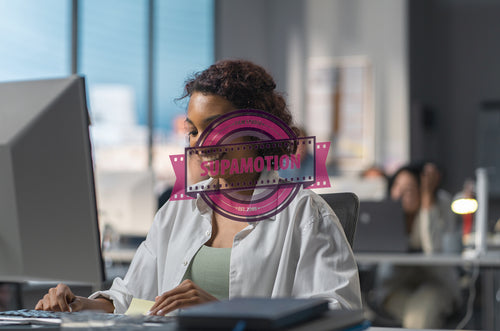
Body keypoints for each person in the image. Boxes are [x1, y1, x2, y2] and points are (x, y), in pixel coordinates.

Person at [35, 60, 362, 315]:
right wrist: (81, 304)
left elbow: (337, 312)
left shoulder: (304, 213)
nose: (200, 144)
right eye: (193, 131)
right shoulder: (178, 210)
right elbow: (135, 299)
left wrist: (223, 312)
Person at [374, 162, 461, 328]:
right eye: (396, 187)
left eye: (408, 189)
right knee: (417, 318)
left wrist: (428, 202)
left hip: (436, 283)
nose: (399, 194)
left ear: (421, 191)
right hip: (396, 285)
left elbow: (433, 249)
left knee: (418, 318)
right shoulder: (385, 213)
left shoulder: (440, 205)